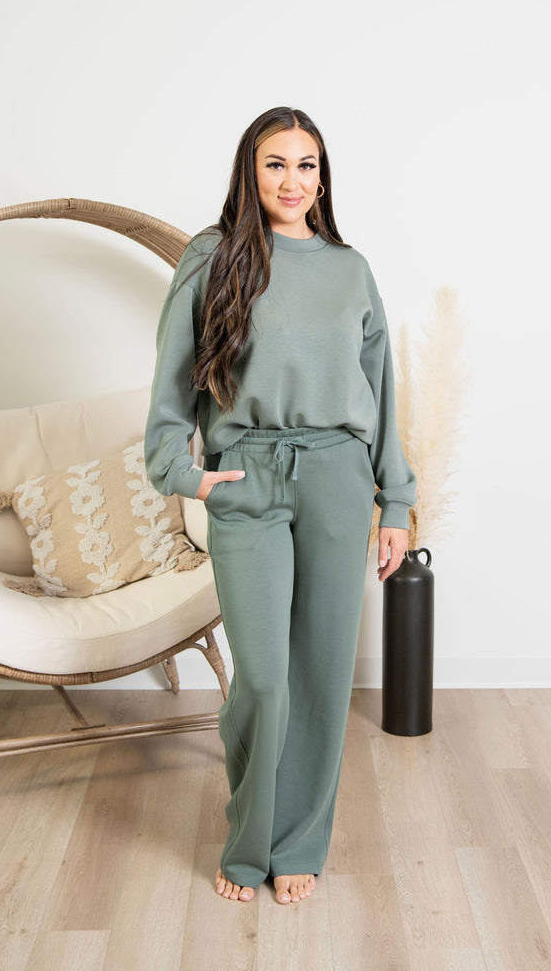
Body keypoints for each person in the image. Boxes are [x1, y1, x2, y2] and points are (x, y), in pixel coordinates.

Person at [145, 105, 417, 905]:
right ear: (250, 170)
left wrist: (394, 503)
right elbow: (172, 380)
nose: (291, 180)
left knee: (322, 675)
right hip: (248, 476)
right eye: (275, 163)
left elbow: (381, 392)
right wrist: (184, 473)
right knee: (263, 679)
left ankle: (296, 841)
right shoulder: (211, 257)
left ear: (322, 177)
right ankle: (248, 839)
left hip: (338, 476)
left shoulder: (349, 268)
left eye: (306, 165)